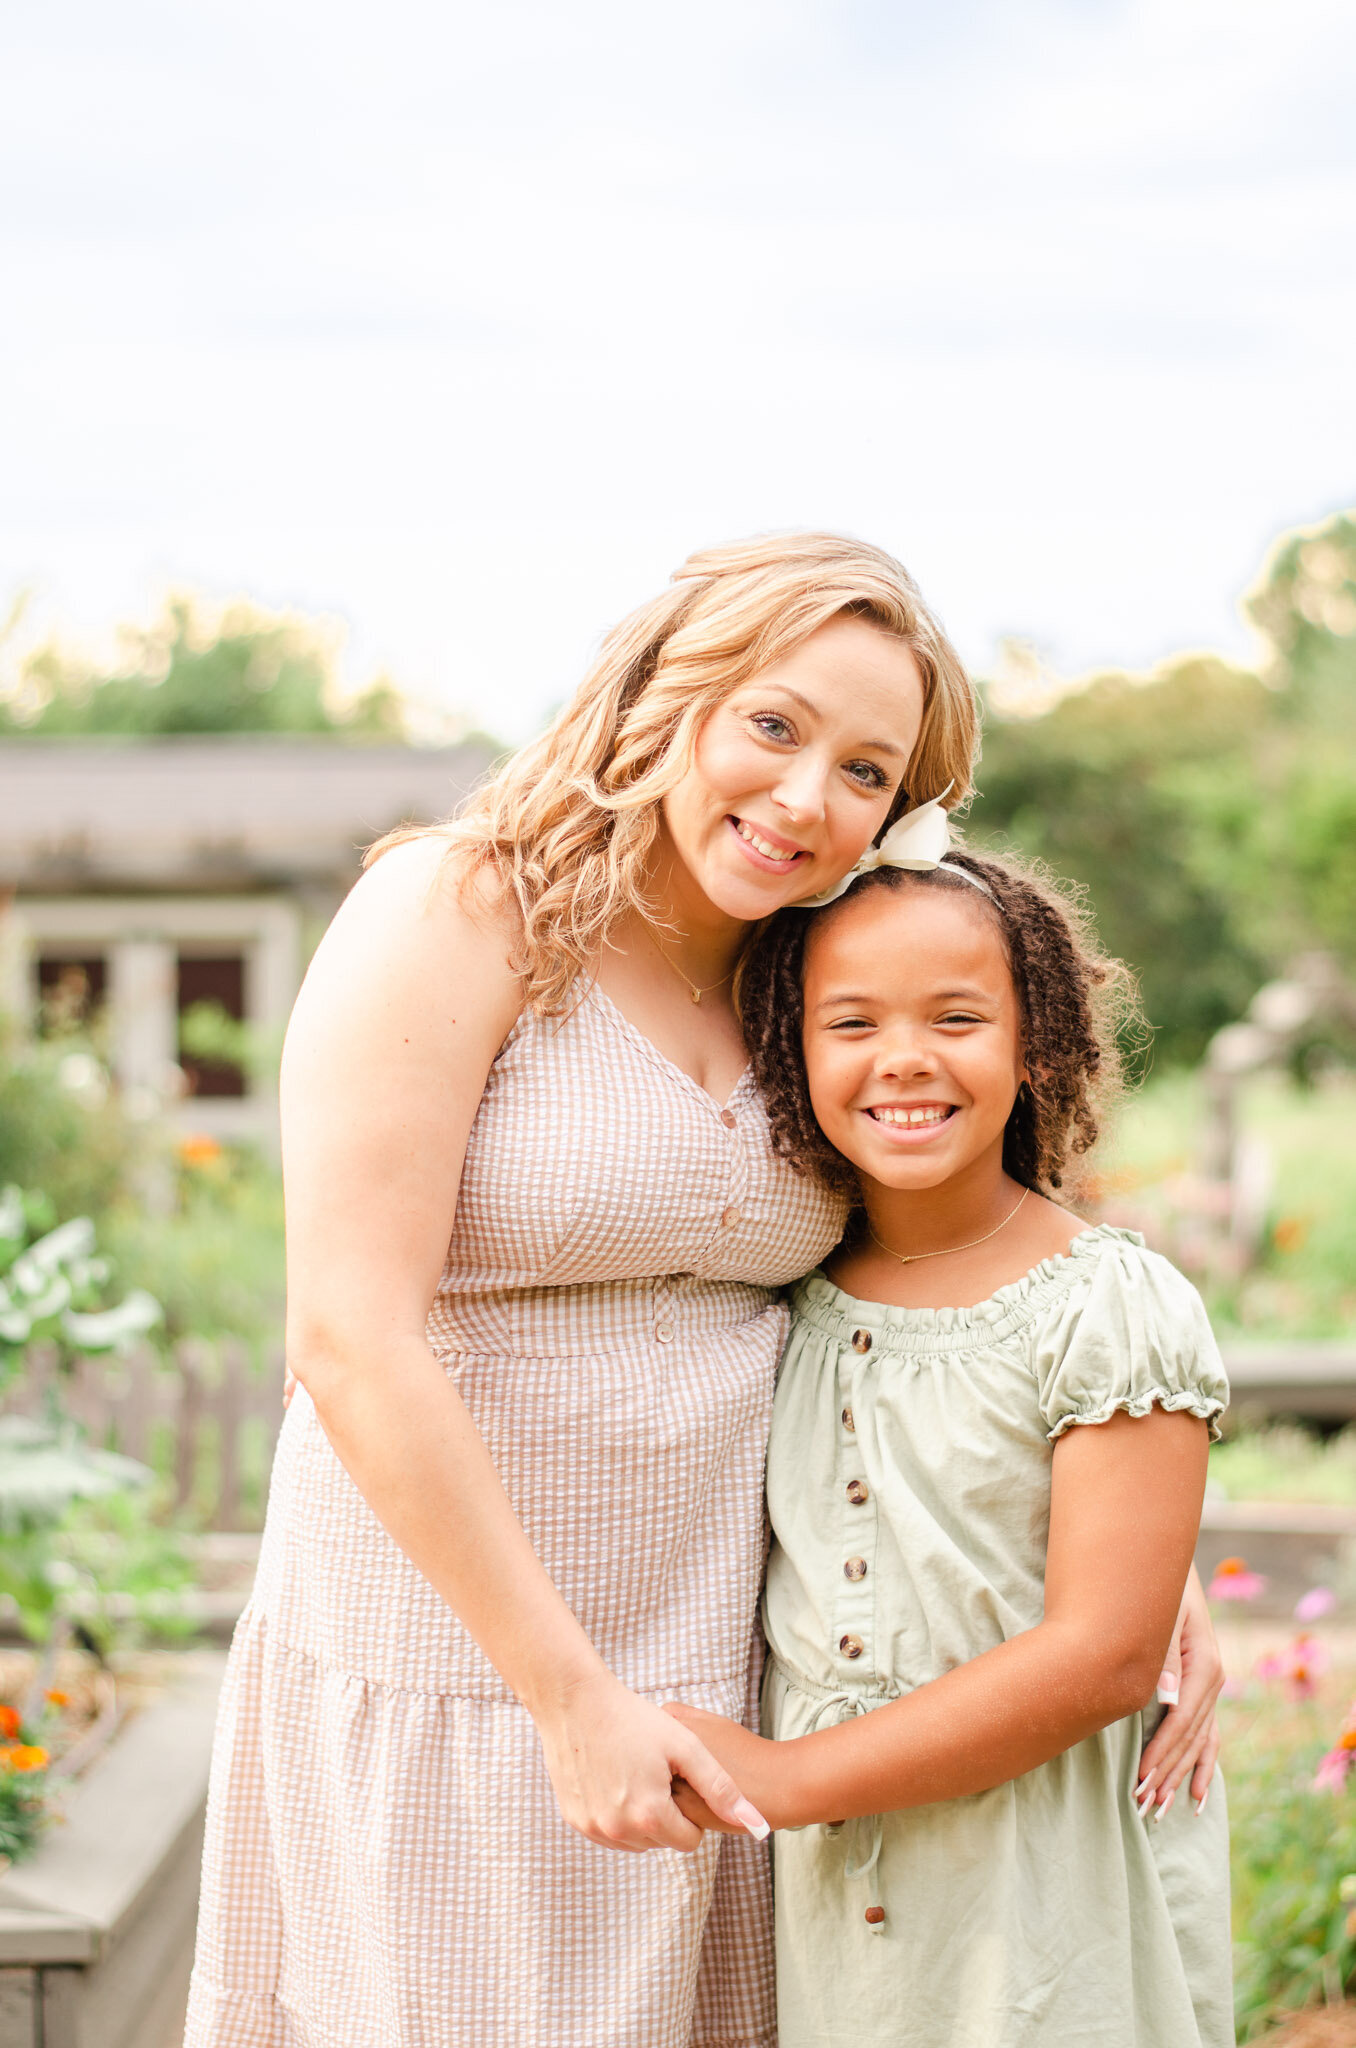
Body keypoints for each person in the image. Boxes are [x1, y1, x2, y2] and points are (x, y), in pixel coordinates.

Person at [185, 535, 1222, 2048]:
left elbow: (941, 1253)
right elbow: (348, 1340)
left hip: (724, 1651)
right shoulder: (459, 913)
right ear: (669, 697)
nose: (809, 797)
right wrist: (566, 1698)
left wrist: (1126, 1521)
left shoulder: (801, 965)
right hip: (465, 1656)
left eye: (868, 771)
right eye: (776, 725)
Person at [668, 827, 1234, 2047]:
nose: (905, 1059)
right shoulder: (785, 1290)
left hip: (1043, 1881)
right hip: (843, 1898)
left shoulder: (1103, 1303)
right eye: (853, 1022)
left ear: (1036, 1044)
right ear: (790, 1046)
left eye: (958, 1018)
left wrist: (781, 1779)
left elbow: (1104, 1654)